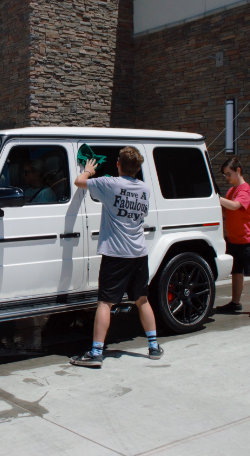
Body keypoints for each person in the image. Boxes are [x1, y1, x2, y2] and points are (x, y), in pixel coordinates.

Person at [70, 146, 162, 368]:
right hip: (139, 253)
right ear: (138, 169)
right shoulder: (145, 189)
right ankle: (153, 347)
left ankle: (96, 353)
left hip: (116, 254)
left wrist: (90, 170)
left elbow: (78, 182)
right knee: (142, 299)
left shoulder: (109, 184)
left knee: (105, 303)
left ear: (118, 164)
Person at [215, 156, 250, 317]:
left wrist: (217, 198)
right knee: (236, 272)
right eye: (225, 175)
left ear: (238, 171)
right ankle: (235, 303)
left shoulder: (245, 190)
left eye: (229, 174)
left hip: (248, 240)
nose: (227, 177)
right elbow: (227, 210)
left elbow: (235, 206)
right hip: (234, 239)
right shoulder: (232, 191)